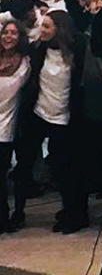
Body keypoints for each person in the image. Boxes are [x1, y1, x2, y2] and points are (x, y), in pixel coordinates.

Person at [12, 10, 86, 233]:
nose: (41, 30)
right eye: (41, 25)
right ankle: (17, 212)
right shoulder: (37, 50)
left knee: (63, 167)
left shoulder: (77, 53)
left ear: (59, 29)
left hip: (64, 117)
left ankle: (72, 213)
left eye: (47, 26)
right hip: (38, 113)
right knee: (24, 163)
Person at [0, 22, 31, 232]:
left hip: (7, 124)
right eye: (5, 32)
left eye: (13, 33)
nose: (8, 36)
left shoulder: (24, 63)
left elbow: (13, 87)